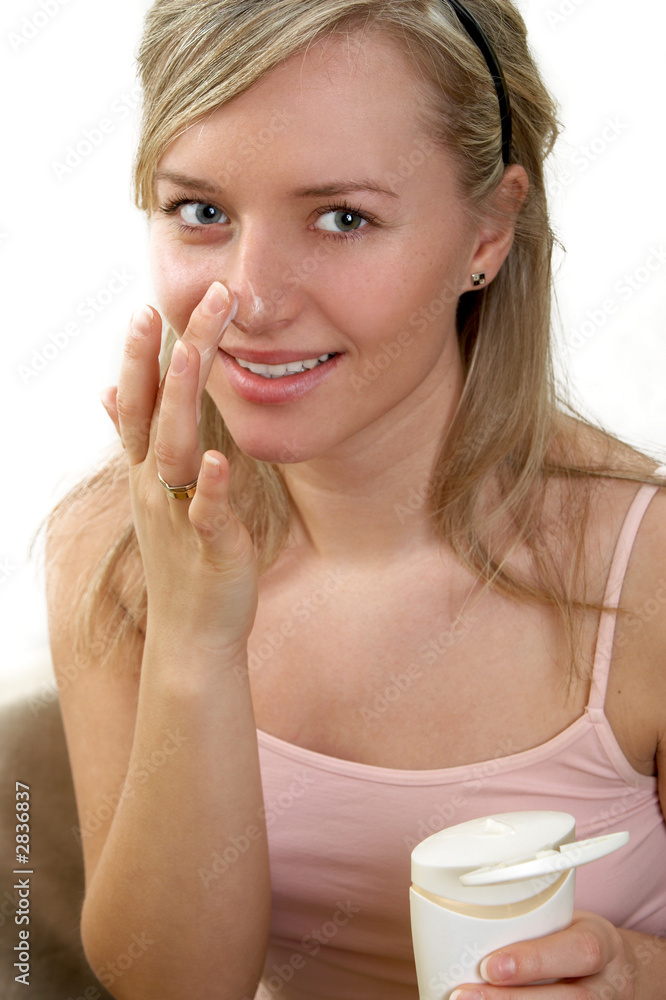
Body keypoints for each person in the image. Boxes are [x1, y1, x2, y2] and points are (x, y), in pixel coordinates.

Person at [40, 1, 666, 997]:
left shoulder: (648, 570)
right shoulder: (112, 551)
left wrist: (637, 976)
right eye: (201, 211)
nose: (252, 299)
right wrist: (195, 645)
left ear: (490, 230)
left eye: (344, 218)